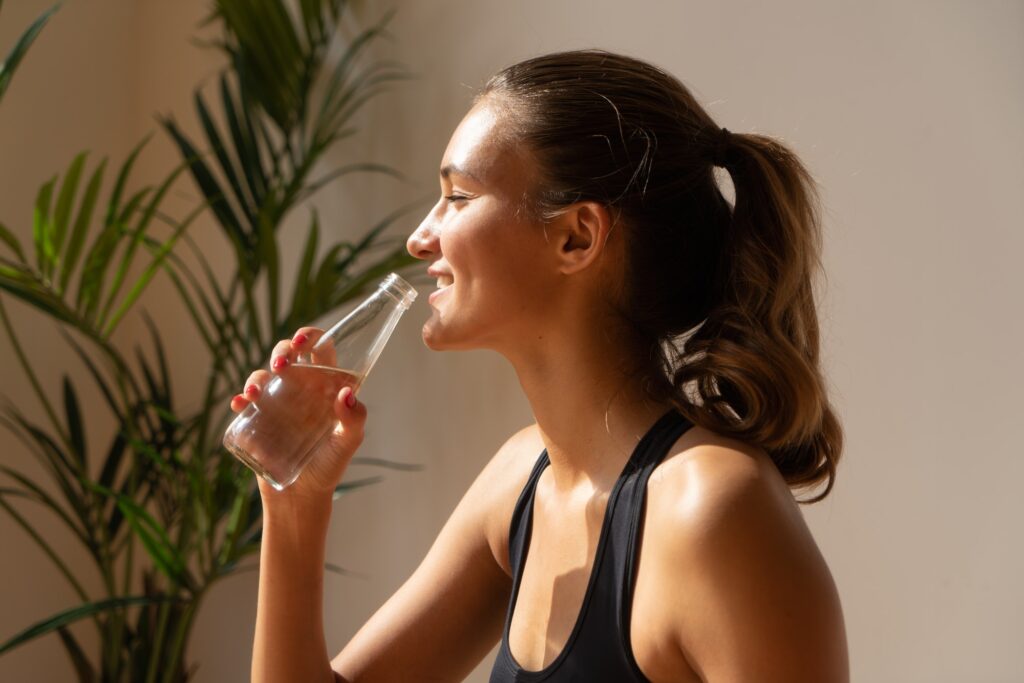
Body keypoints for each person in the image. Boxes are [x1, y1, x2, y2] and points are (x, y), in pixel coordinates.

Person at [231, 49, 849, 682]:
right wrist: (295, 504)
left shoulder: (713, 510)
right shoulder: (519, 484)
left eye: (458, 196)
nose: (420, 237)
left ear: (577, 237)